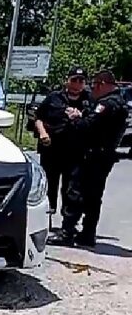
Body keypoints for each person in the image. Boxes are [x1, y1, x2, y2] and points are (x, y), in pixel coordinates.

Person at [49, 69, 129, 247]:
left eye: (94, 85)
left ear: (101, 84)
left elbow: (89, 126)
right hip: (104, 155)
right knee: (94, 196)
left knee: (75, 192)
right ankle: (88, 233)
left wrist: (75, 118)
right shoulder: (120, 103)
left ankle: (67, 232)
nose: (92, 90)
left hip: (92, 155)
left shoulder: (107, 104)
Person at [29, 66, 92, 213]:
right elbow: (37, 117)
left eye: (81, 81)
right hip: (52, 149)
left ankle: (67, 225)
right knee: (49, 185)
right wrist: (43, 133)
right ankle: (46, 218)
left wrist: (81, 116)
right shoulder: (54, 98)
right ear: (67, 81)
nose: (77, 84)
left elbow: (96, 121)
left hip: (76, 151)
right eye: (74, 80)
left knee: (72, 188)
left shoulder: (89, 100)